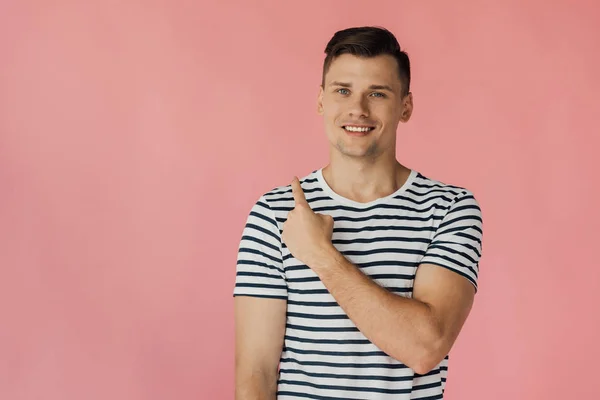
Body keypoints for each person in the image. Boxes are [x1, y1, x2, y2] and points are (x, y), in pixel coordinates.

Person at [233, 26, 484, 400]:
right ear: (321, 100)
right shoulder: (274, 213)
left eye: (377, 93)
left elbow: (424, 348)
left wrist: (320, 254)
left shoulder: (450, 209)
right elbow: (256, 371)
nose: (358, 109)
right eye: (343, 90)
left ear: (406, 106)